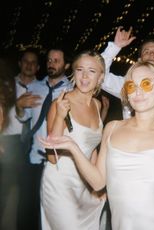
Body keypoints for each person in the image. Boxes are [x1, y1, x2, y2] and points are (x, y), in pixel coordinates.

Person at [40, 60, 154, 230]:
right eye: (131, 86)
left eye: (145, 84)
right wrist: (73, 148)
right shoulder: (112, 129)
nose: (137, 92)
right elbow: (97, 182)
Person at [40, 50, 106, 230]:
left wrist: (97, 187)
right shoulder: (60, 103)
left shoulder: (97, 105)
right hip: (60, 185)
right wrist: (60, 116)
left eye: (92, 71)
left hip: (85, 185)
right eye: (80, 69)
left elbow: (92, 148)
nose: (84, 76)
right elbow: (52, 157)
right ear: (73, 73)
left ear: (100, 77)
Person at [15, 47, 71, 230]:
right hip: (35, 157)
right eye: (49, 60)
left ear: (67, 65)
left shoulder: (72, 91)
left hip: (60, 161)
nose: (51, 64)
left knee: (54, 210)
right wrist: (19, 107)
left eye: (56, 60)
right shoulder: (35, 87)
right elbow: (23, 118)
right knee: (27, 207)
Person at [0, 49, 41, 230]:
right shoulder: (7, 85)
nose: (29, 65)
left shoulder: (42, 88)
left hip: (32, 145)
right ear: (20, 63)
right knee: (3, 189)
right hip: (8, 142)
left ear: (38, 67)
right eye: (26, 61)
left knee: (29, 194)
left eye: (33, 62)